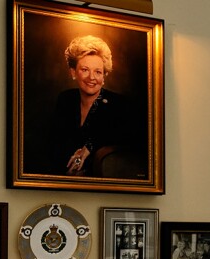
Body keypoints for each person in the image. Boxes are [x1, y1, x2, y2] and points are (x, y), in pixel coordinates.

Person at [50, 35, 144, 177]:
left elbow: (124, 137)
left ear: (104, 76)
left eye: (98, 72)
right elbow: (56, 144)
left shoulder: (119, 104)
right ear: (73, 72)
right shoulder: (65, 99)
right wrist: (69, 171)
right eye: (85, 70)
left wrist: (88, 147)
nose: (92, 77)